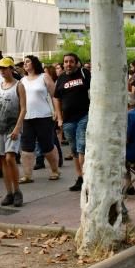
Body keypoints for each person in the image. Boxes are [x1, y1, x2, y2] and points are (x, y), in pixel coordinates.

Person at [18, 55, 61, 184]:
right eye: (24, 62)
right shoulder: (22, 80)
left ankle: (55, 170)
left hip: (44, 116)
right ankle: (27, 174)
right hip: (27, 117)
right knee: (26, 147)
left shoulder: (44, 77)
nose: (25, 64)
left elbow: (55, 95)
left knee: (47, 145)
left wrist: (57, 113)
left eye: (28, 62)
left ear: (34, 63)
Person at [0, 57, 26, 208]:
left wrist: (18, 127)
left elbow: (23, 108)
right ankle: (9, 192)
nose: (2, 71)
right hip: (0, 126)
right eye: (1, 69)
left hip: (13, 126)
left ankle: (17, 191)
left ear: (11, 69)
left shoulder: (19, 85)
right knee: (2, 159)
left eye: (5, 68)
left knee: (10, 157)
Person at [53, 52, 89, 192]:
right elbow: (56, 97)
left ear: (76, 62)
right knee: (74, 150)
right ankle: (80, 177)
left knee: (81, 146)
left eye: (71, 61)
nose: (68, 64)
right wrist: (59, 117)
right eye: (66, 61)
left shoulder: (83, 73)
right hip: (67, 119)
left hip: (83, 116)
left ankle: (87, 178)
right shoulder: (61, 78)